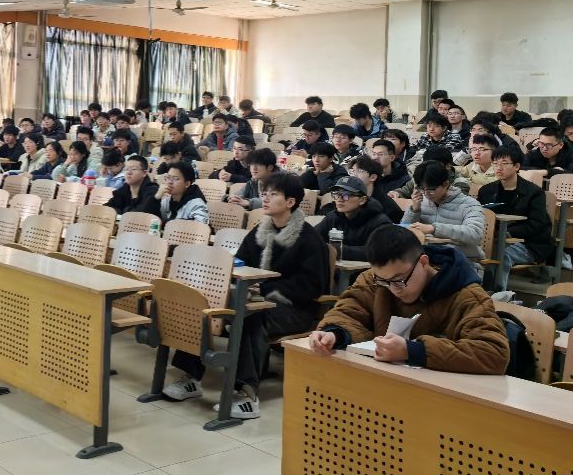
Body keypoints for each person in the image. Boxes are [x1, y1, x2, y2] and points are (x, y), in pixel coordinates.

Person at [163, 172, 327, 417]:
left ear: (290, 202)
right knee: (204, 307)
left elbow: (312, 286)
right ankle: (190, 378)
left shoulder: (308, 238)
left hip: (295, 309)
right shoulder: (260, 230)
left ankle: (247, 394)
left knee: (251, 317)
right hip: (256, 298)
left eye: (273, 194)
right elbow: (239, 261)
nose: (265, 198)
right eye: (264, 193)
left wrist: (265, 288)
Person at [309, 225, 508, 374]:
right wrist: (334, 333)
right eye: (383, 281)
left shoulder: (466, 296)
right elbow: (349, 310)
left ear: (423, 262)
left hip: (442, 396)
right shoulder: (376, 280)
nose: (393, 289)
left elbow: (494, 353)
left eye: (399, 280)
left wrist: (413, 351)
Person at [479, 144, 552, 292]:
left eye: (504, 163)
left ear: (517, 166)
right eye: (495, 163)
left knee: (502, 255)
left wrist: (507, 233)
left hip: (528, 244)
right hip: (494, 239)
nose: (498, 168)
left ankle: (497, 295)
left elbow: (536, 224)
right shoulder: (486, 190)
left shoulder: (534, 193)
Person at [403, 161, 486, 275]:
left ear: (446, 184)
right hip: (426, 259)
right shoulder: (421, 201)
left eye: (431, 189)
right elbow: (404, 231)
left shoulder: (469, 204)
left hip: (461, 261)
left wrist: (434, 228)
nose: (426, 193)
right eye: (422, 188)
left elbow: (475, 234)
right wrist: (414, 209)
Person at [314, 175, 392, 260]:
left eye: (345, 195)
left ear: (362, 200)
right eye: (336, 194)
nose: (339, 199)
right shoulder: (333, 217)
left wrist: (336, 250)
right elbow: (312, 237)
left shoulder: (380, 222)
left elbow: (376, 251)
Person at [390, 146, 470, 198]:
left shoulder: (460, 181)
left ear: (448, 166)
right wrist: (396, 194)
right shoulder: (422, 176)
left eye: (435, 166)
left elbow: (454, 202)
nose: (430, 169)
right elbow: (404, 191)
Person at [345, 153, 403, 222]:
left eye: (358, 171)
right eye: (352, 171)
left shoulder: (387, 207)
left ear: (373, 177)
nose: (353, 175)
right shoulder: (344, 197)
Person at [150, 160, 209, 226]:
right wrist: (156, 198)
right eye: (168, 177)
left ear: (187, 184)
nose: (169, 182)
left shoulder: (196, 204)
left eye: (175, 178)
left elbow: (200, 227)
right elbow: (149, 219)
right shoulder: (167, 200)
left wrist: (166, 223)